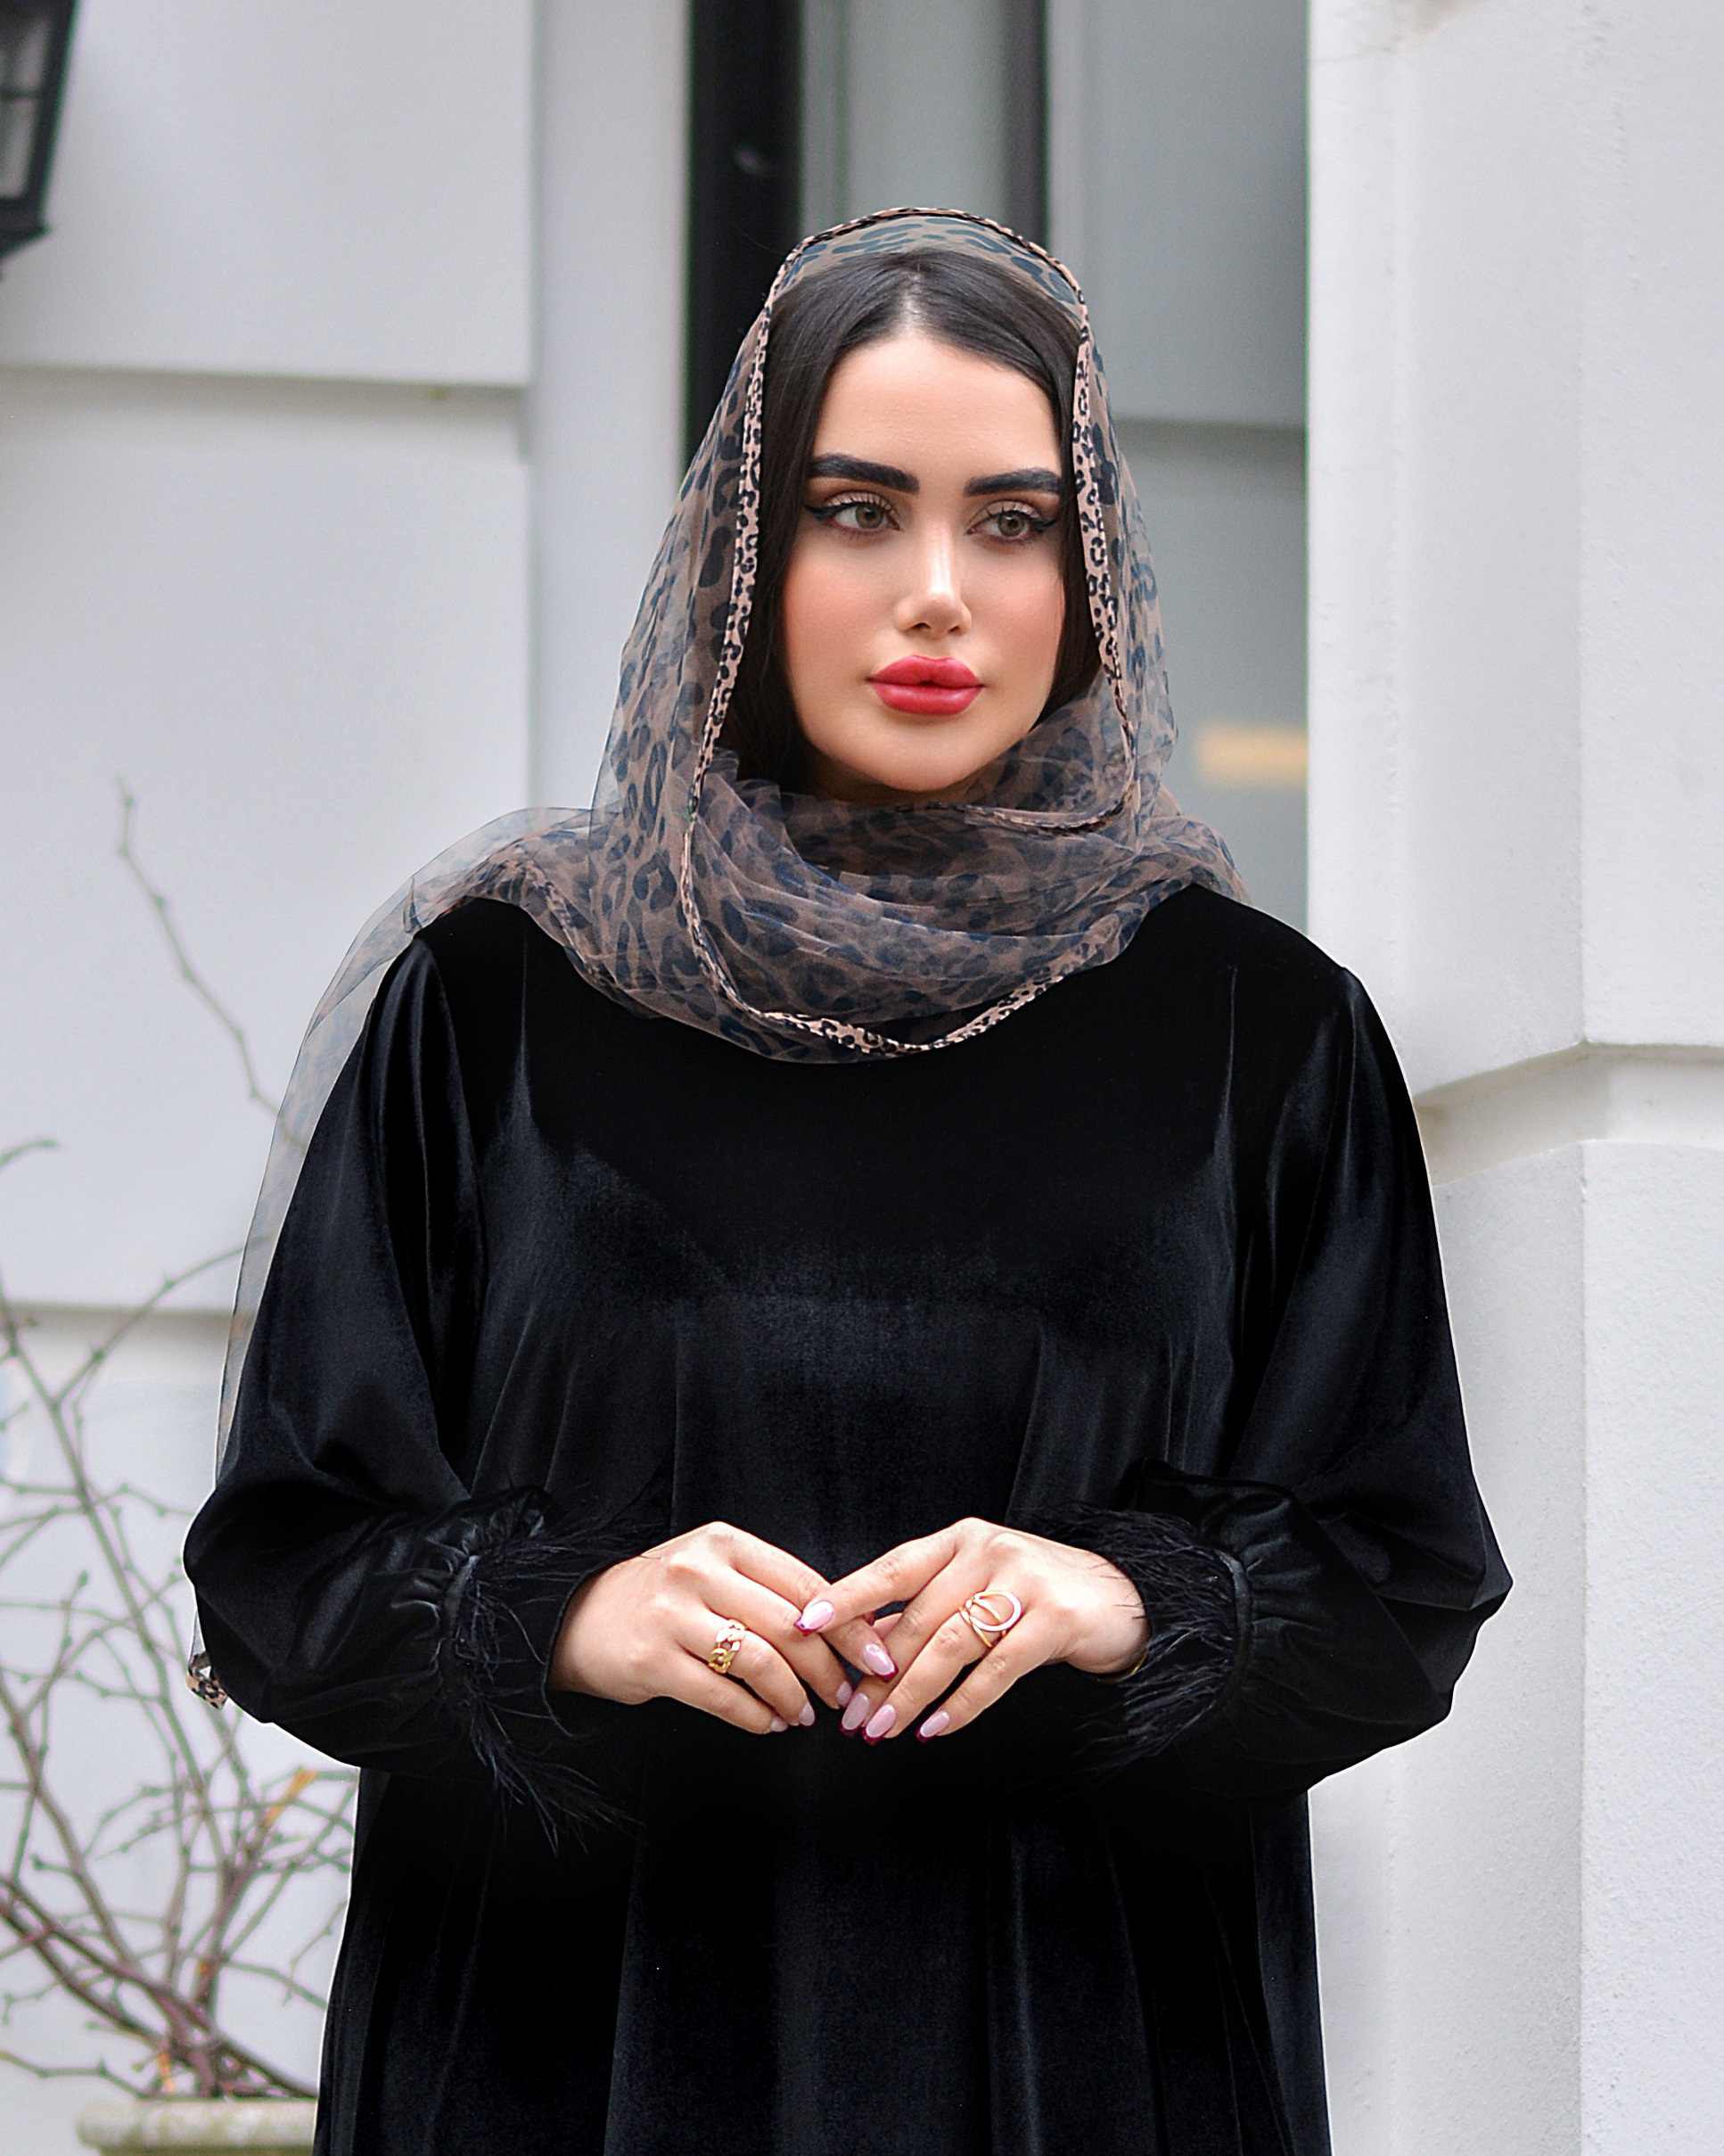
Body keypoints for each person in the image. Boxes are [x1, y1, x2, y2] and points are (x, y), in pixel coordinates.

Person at [181, 206, 1512, 2155]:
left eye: (1013, 522)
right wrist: (566, 1615)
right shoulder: (501, 1003)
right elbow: (285, 1560)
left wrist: (1119, 1596)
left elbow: (1400, 1581)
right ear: (743, 551)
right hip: (570, 2050)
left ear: (1090, 570)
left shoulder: (1258, 1033)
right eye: (856, 510)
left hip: (1088, 2055)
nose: (938, 596)